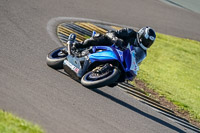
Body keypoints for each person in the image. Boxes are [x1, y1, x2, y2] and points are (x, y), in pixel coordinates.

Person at [73, 26, 156, 65]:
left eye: (149, 43)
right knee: (100, 38)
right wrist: (115, 39)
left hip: (118, 58)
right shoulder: (130, 32)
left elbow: (136, 64)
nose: (147, 44)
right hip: (110, 46)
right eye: (146, 41)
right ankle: (77, 45)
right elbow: (111, 33)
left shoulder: (142, 52)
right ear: (141, 35)